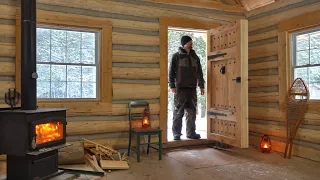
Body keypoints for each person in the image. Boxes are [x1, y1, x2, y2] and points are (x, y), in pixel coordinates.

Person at [169, 35, 205, 141]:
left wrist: (201, 86)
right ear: (184, 43)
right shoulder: (176, 56)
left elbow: (200, 73)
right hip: (180, 89)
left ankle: (191, 133)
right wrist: (172, 85)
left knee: (192, 112)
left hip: (192, 88)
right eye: (189, 41)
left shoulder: (195, 57)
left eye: (191, 41)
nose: (191, 43)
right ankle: (176, 134)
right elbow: (171, 72)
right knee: (178, 111)